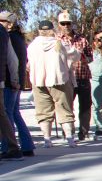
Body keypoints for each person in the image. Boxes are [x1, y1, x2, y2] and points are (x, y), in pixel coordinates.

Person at [27, 19, 78, 147]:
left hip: (38, 81)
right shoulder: (59, 43)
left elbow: (28, 64)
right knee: (65, 109)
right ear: (52, 30)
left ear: (39, 31)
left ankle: (47, 140)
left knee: (43, 111)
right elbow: (75, 55)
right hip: (59, 80)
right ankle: (70, 139)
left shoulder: (32, 46)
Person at [0, 11, 35, 157]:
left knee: (6, 115)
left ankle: (9, 147)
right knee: (13, 113)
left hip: (10, 82)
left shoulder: (9, 37)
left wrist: (13, 80)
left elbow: (12, 61)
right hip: (14, 81)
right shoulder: (17, 37)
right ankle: (26, 145)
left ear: (10, 23)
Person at [57, 10, 92, 140]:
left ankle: (84, 131)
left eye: (68, 23)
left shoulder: (82, 39)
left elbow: (90, 57)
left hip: (82, 76)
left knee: (85, 105)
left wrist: (84, 59)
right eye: (63, 23)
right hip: (66, 78)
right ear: (59, 24)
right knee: (66, 106)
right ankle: (68, 131)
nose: (66, 26)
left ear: (72, 24)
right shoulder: (57, 40)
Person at [0, 21, 23, 159]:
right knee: (2, 115)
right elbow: (12, 59)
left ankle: (13, 148)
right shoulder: (4, 33)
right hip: (2, 80)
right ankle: (13, 148)